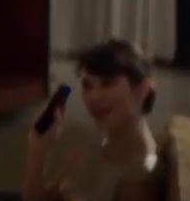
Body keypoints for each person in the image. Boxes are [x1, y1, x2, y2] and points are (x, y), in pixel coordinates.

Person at [22, 39, 164, 201]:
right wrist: (39, 150)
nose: (93, 97)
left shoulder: (141, 174)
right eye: (87, 86)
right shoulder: (94, 146)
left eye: (107, 84)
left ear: (142, 90)